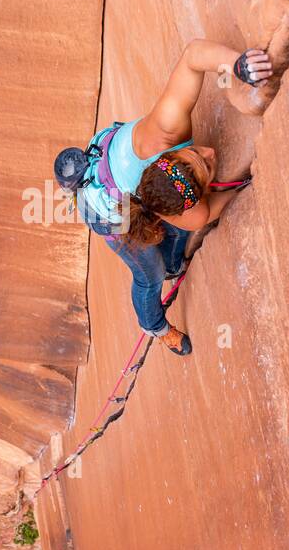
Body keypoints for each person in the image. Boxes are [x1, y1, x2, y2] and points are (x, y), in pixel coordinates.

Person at [53, 40, 272, 355]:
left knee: (169, 255)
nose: (210, 152)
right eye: (205, 164)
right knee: (149, 275)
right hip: (106, 213)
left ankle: (173, 263)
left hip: (112, 174)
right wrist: (240, 187)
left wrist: (235, 64)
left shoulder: (166, 129)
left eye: (197, 156)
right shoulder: (173, 199)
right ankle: (154, 326)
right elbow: (206, 212)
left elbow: (193, 56)